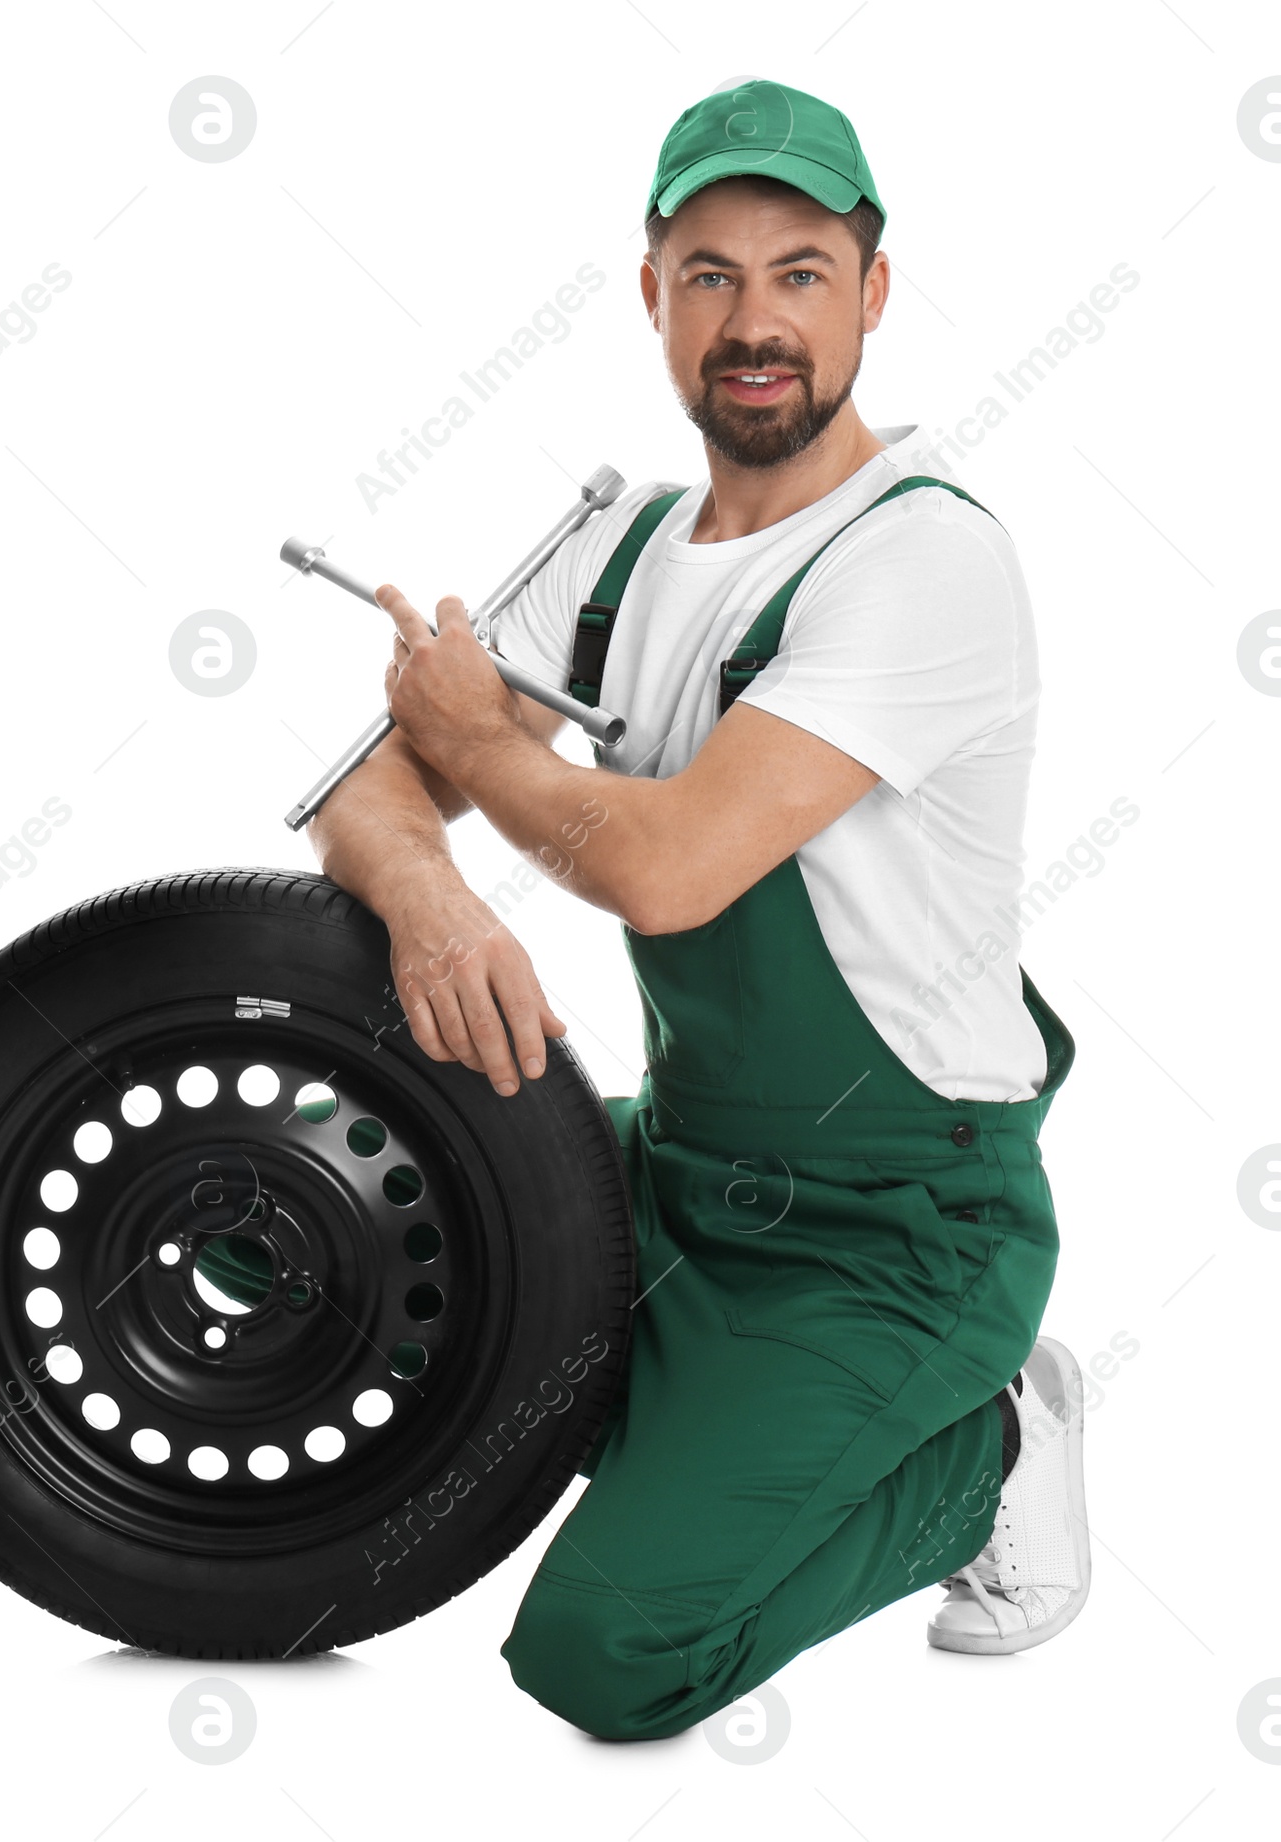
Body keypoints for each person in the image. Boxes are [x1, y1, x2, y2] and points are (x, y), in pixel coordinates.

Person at [305, 77, 1090, 1740]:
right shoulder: (621, 546)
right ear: (652, 296)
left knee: (607, 1655)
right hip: (681, 1161)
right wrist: (436, 899)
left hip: (891, 1227)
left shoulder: (920, 560)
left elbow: (667, 861)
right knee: (298, 1215)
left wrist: (471, 743)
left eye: (801, 272)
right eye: (713, 273)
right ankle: (692, 1416)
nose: (756, 321)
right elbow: (366, 793)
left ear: (873, 295)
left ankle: (987, 1449)